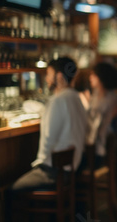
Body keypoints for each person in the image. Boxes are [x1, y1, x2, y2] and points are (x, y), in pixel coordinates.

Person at [9, 57, 88, 191]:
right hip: (73, 169)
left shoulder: (57, 101)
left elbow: (48, 139)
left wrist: (39, 163)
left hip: (53, 172)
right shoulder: (77, 98)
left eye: (49, 75)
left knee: (12, 190)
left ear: (59, 76)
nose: (46, 79)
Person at [86, 62, 117, 167]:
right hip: (96, 143)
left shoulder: (112, 98)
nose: (90, 78)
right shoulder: (96, 96)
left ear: (101, 77)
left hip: (102, 146)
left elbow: (103, 122)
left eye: (93, 75)